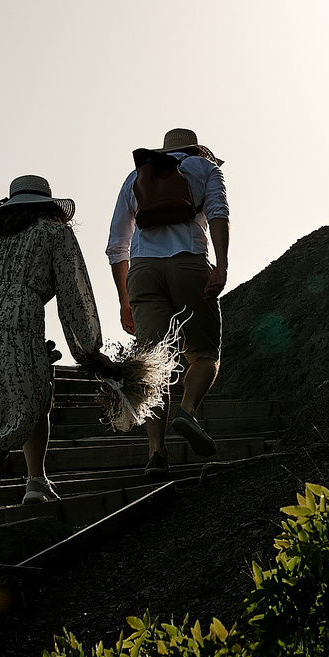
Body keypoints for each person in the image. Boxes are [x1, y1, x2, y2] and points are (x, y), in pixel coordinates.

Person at [0, 175, 109, 535]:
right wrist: (89, 349)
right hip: (17, 319)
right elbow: (73, 290)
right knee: (10, 415)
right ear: (48, 206)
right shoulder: (53, 232)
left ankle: (36, 481)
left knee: (32, 399)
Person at [105, 128, 230, 480]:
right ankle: (187, 411)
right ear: (196, 148)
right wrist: (220, 266)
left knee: (151, 365)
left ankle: (156, 454)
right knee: (205, 355)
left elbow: (117, 244)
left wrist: (124, 301)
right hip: (189, 262)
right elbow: (218, 213)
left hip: (143, 271)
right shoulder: (205, 169)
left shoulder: (136, 176)